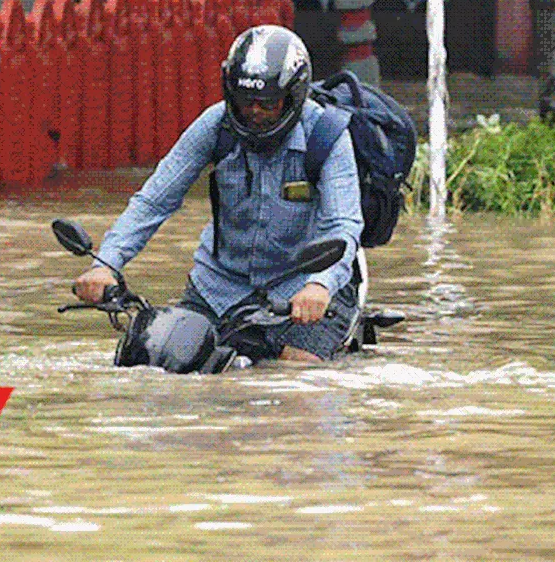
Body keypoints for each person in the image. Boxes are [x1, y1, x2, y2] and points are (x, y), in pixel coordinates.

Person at [72, 25, 363, 363]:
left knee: (297, 377)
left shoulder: (327, 135)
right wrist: (106, 264)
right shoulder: (215, 125)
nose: (254, 111)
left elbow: (343, 226)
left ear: (293, 98)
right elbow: (154, 200)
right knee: (157, 359)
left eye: (267, 104)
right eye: (244, 101)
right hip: (218, 288)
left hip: (303, 289)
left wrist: (320, 285)